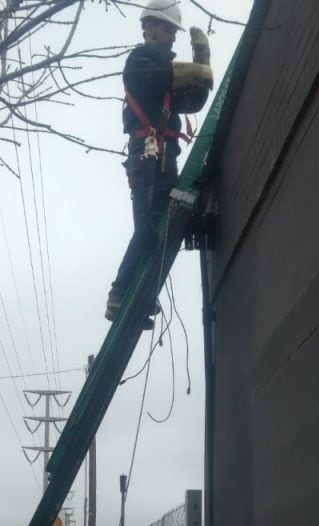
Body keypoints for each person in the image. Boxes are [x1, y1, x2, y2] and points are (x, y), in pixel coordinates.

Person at [105, 0, 213, 328]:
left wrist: (202, 61)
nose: (171, 37)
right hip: (148, 154)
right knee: (149, 226)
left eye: (172, 31)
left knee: (163, 226)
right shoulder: (140, 60)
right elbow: (159, 77)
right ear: (149, 27)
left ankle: (140, 296)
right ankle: (121, 292)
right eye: (167, 29)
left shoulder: (164, 80)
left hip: (163, 156)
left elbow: (192, 100)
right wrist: (193, 70)